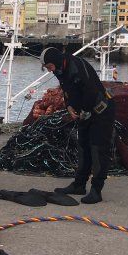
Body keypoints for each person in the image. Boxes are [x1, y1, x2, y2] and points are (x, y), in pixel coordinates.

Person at [40, 47, 115, 204]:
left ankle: (96, 190)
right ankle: (79, 185)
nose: (49, 70)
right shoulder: (61, 70)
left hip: (101, 112)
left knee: (98, 150)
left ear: (55, 61)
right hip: (85, 113)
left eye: (49, 66)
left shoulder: (77, 66)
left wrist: (84, 110)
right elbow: (68, 91)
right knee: (83, 149)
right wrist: (69, 107)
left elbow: (91, 91)